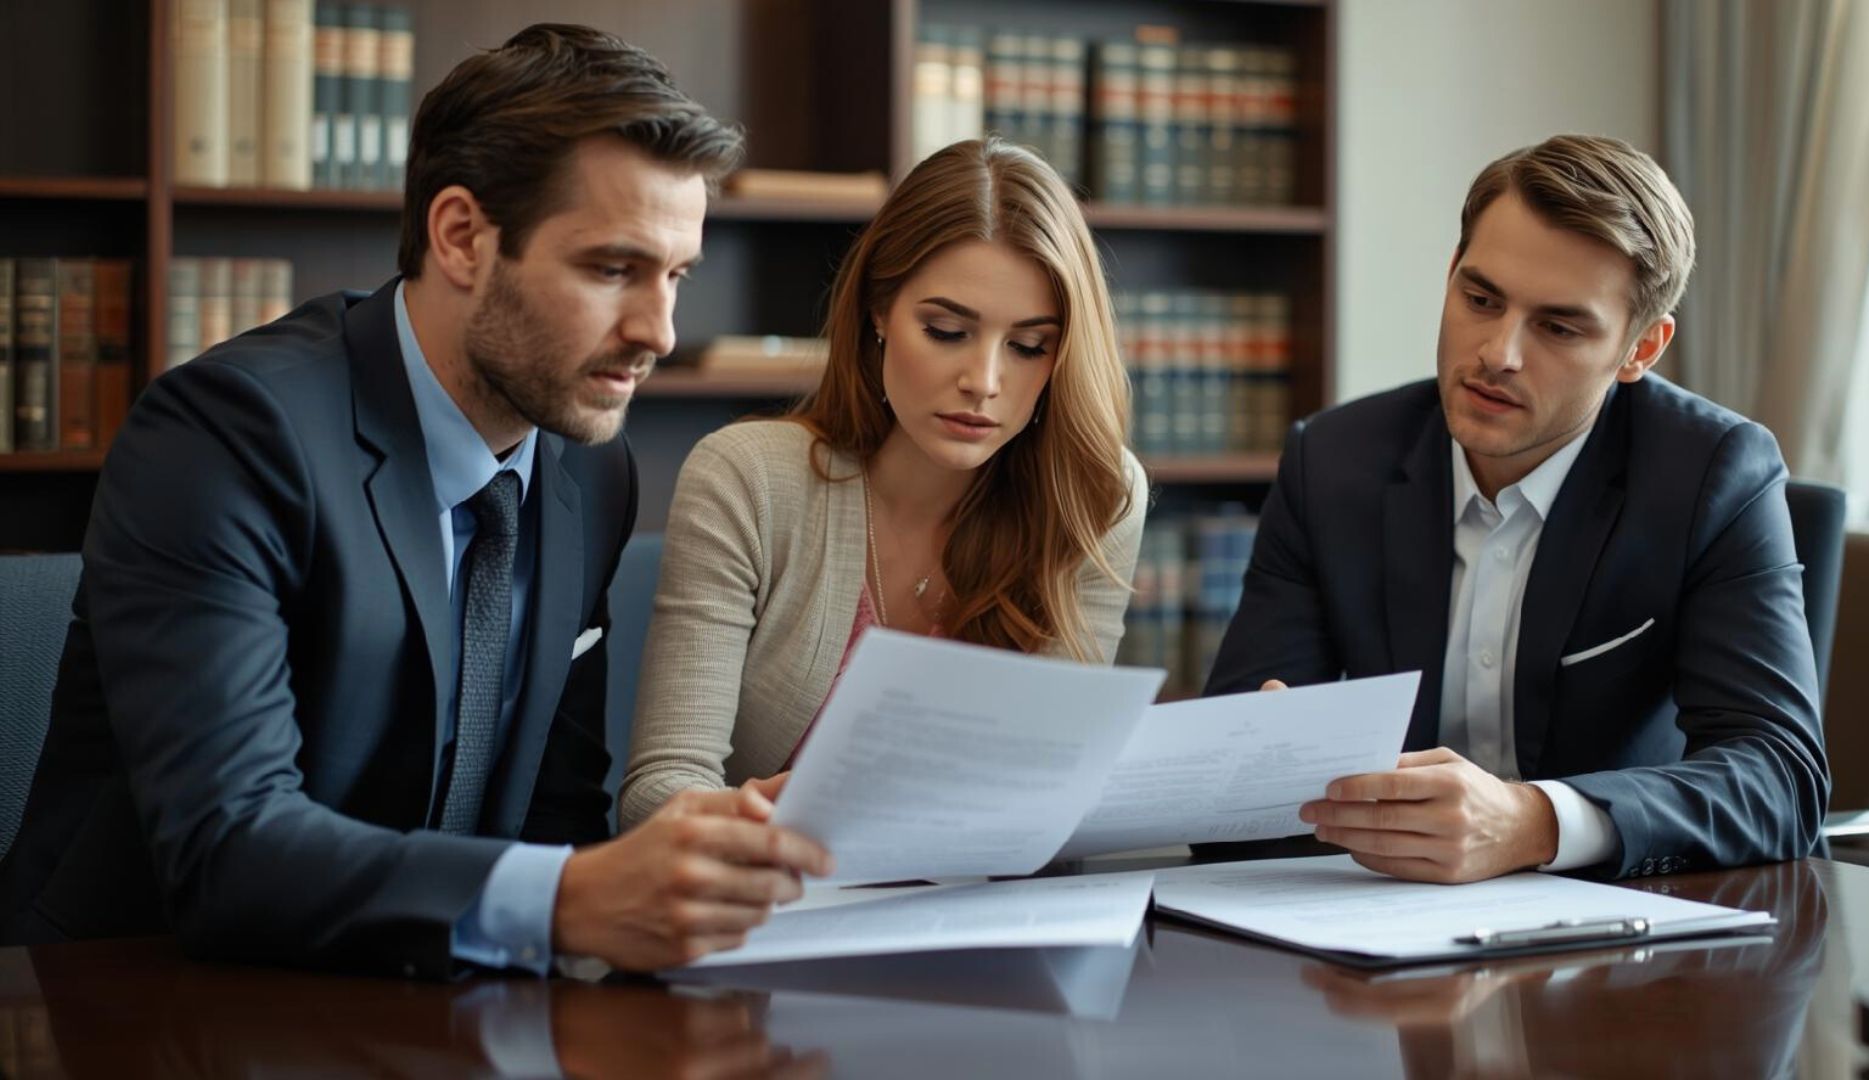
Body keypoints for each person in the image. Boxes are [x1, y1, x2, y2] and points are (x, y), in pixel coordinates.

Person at [0, 24, 830, 978]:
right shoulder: (227, 435)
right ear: (462, 237)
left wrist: (687, 872)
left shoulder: (589, 467)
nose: (659, 331)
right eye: (612, 270)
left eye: (676, 275)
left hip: (427, 1005)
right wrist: (574, 899)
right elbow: (229, 845)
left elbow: (555, 812)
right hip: (132, 1001)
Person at [1207, 134, 1829, 883]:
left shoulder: (1713, 475)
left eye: (1559, 327)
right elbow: (1231, 779)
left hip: (1626, 943)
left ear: (1641, 349)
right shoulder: (1331, 463)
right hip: (1384, 924)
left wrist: (1535, 822)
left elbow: (1780, 779)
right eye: (1480, 299)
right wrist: (1263, 755)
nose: (1498, 352)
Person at [618, 137, 1148, 825]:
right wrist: (778, 822)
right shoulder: (747, 479)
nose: (984, 383)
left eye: (1027, 346)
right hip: (771, 904)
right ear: (878, 312)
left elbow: (1049, 803)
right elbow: (659, 794)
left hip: (977, 910)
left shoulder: (1094, 496)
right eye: (947, 330)